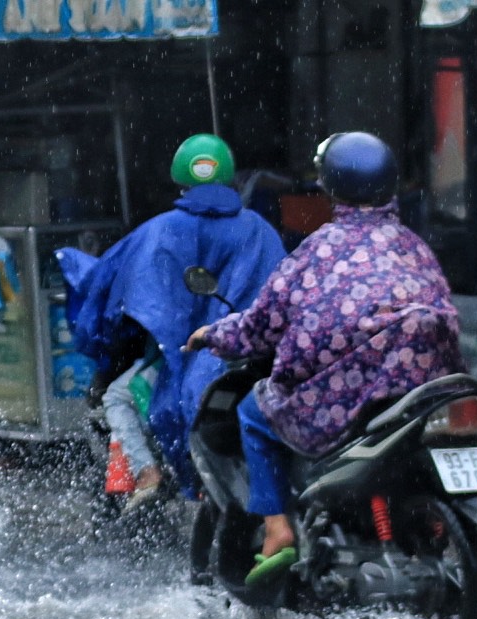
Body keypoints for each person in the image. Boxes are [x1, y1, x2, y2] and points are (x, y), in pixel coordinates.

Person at [187, 131, 462, 583]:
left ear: (330, 186)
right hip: (420, 396)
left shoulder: (318, 250)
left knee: (255, 412)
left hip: (349, 401)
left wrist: (211, 335)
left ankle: (277, 530)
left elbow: (259, 328)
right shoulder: (414, 245)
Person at [63, 134, 286, 509]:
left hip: (184, 359)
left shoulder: (158, 230)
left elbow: (109, 287)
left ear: (180, 178)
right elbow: (282, 294)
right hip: (253, 357)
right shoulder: (260, 230)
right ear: (230, 176)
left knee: (117, 395)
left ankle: (148, 473)